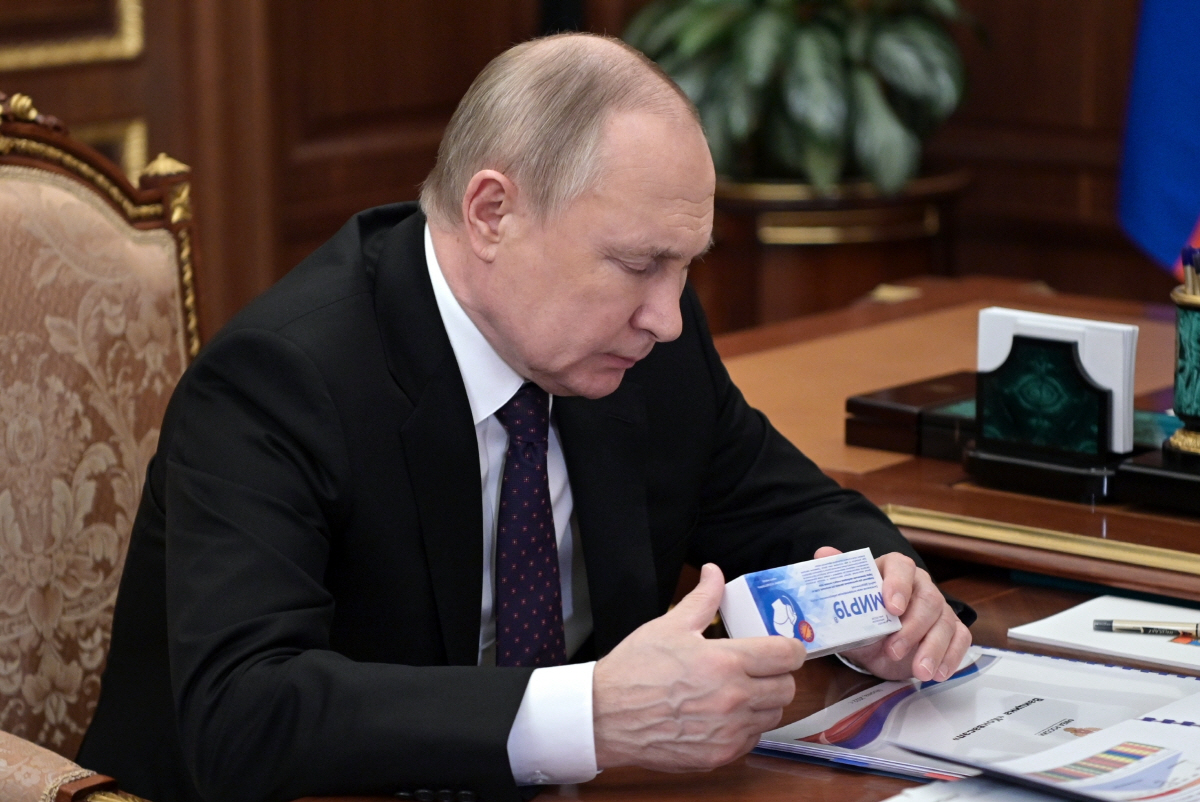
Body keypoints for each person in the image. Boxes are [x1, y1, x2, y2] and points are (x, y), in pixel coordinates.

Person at [78, 32, 973, 802]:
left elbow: (777, 505)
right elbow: (242, 714)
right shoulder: (281, 380)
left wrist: (885, 599)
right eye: (638, 264)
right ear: (493, 212)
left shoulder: (643, 343)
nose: (667, 314)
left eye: (687, 266)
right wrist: (590, 714)